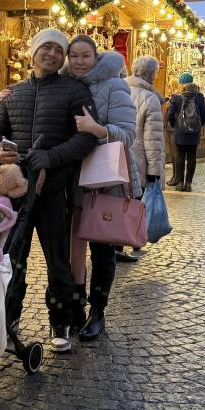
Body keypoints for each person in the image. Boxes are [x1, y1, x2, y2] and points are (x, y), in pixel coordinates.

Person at [0, 28, 98, 353]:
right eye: (45, 48)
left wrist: (51, 156)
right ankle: (8, 323)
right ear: (33, 52)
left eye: (57, 50)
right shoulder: (14, 93)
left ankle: (59, 323)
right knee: (11, 259)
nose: (51, 54)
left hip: (53, 191)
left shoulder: (74, 90)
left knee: (57, 259)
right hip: (17, 192)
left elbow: (87, 137)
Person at [65, 36, 140, 342]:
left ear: (96, 57)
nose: (80, 61)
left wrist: (98, 130)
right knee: (71, 247)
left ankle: (98, 313)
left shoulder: (114, 85)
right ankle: (76, 309)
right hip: (70, 177)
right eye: (74, 56)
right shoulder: (65, 83)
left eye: (86, 56)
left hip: (105, 178)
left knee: (102, 247)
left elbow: (129, 135)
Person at [119, 56, 165, 262]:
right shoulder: (150, 98)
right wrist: (155, 170)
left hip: (118, 157)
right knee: (136, 204)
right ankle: (132, 239)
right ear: (150, 74)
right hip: (139, 160)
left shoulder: (120, 90)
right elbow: (153, 139)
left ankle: (115, 244)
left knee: (117, 202)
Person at [167, 73, 205, 191]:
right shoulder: (199, 97)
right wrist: (200, 126)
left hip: (180, 132)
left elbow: (170, 115)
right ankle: (188, 184)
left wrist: (175, 125)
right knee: (192, 157)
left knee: (179, 157)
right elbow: (204, 114)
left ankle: (179, 183)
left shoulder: (176, 97)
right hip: (194, 132)